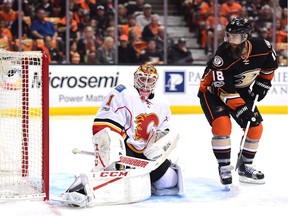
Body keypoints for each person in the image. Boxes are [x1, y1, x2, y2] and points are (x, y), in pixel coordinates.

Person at [56, 64, 183, 207]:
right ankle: (84, 188)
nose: (145, 84)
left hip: (146, 152)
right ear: (135, 78)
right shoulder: (123, 93)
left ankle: (145, 179)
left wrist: (154, 145)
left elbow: (164, 130)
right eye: (142, 79)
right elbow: (103, 126)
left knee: (169, 181)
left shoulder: (163, 102)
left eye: (150, 80)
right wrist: (114, 151)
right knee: (116, 173)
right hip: (125, 149)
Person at [197, 17, 278, 186]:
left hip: (240, 90)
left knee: (255, 127)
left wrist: (264, 82)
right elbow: (222, 87)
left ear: (245, 36)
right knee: (222, 124)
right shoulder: (223, 54)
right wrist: (241, 108)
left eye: (234, 36)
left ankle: (245, 166)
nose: (229, 39)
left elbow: (270, 65)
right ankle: (224, 167)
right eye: (228, 35)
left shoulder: (263, 47)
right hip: (212, 91)